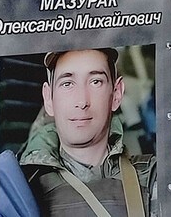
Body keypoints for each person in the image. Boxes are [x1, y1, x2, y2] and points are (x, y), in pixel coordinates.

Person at [19, 48, 157, 216]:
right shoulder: (20, 188)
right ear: (48, 99)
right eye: (67, 83)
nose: (82, 101)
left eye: (95, 82)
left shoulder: (153, 177)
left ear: (116, 94)